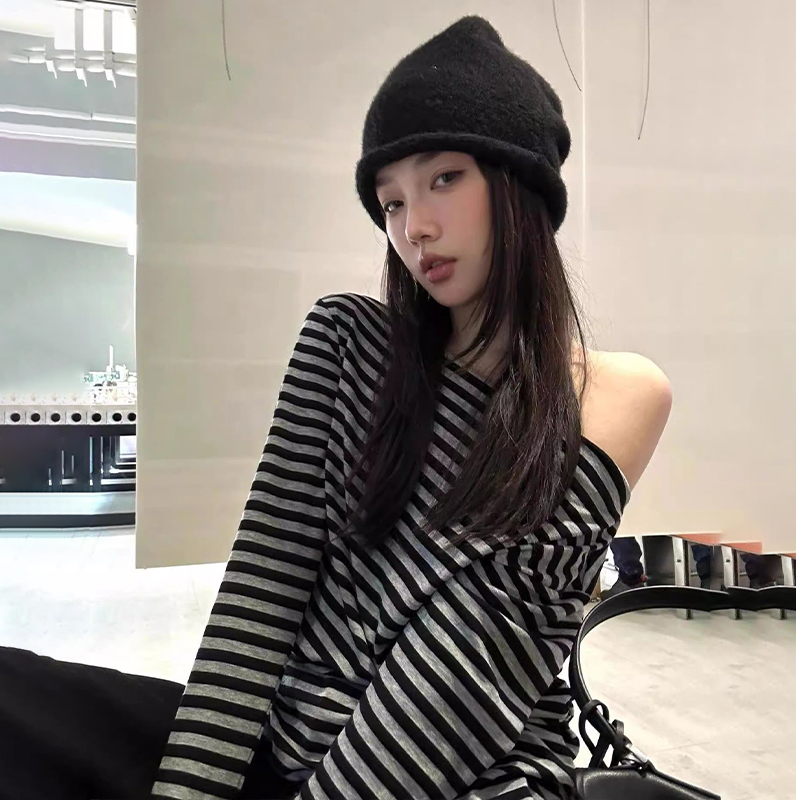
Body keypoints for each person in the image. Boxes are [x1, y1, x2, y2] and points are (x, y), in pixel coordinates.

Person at [0, 16, 673, 800]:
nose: (414, 227)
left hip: (467, 775)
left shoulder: (615, 397)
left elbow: (458, 687)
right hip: (286, 745)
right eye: (390, 202)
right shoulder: (348, 342)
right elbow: (259, 598)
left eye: (444, 178)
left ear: (520, 184)